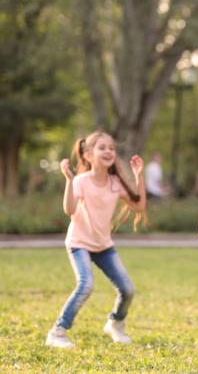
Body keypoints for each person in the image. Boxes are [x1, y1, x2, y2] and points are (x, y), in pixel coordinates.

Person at [46, 131, 146, 348]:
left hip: (103, 246)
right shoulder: (81, 181)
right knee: (85, 285)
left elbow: (139, 206)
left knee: (128, 289)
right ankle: (57, 332)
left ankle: (115, 324)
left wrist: (139, 176)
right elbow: (69, 210)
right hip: (79, 243)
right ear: (89, 155)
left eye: (111, 148)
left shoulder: (115, 183)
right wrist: (69, 181)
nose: (109, 151)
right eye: (102, 148)